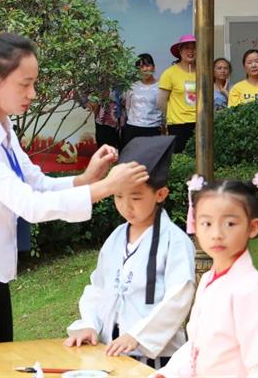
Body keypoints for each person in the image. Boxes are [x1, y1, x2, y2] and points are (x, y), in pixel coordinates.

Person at [0, 30, 149, 378]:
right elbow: (28, 205)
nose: (32, 94)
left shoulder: (1, 127)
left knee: (0, 372)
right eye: (25, 84)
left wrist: (86, 178)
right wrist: (107, 188)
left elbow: (34, 182)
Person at [65, 136, 196, 370]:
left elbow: (178, 297)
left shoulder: (174, 241)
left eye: (136, 197)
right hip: (112, 352)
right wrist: (89, 325)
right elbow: (99, 287)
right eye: (118, 196)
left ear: (160, 194)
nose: (126, 206)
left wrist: (139, 335)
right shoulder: (116, 237)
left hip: (156, 360)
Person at [150, 172, 258, 378]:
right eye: (207, 223)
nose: (217, 234)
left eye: (230, 223)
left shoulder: (251, 288)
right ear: (195, 224)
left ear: (253, 227)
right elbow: (197, 343)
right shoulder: (207, 279)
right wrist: (169, 373)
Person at [158, 34, 197, 154]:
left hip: (200, 123)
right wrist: (172, 116)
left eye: (194, 47)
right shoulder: (169, 73)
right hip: (178, 124)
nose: (190, 51)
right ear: (180, 51)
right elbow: (161, 102)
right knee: (179, 160)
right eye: (186, 48)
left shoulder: (204, 71)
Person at [121, 53, 163, 148]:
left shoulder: (161, 87)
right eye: (141, 67)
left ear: (153, 67)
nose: (145, 69)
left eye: (147, 65)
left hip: (153, 129)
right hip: (132, 129)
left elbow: (163, 108)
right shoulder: (132, 87)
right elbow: (128, 107)